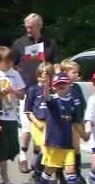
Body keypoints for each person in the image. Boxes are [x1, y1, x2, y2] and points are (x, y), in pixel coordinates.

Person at [11, 13, 62, 174]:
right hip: (27, 90)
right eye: (26, 27)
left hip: (45, 90)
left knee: (43, 126)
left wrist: (57, 82)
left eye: (31, 27)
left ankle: (37, 159)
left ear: (40, 26)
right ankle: (23, 156)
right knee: (27, 126)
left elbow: (57, 64)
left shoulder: (50, 43)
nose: (28, 30)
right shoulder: (19, 44)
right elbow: (12, 66)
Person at [33, 73, 89, 184]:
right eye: (57, 85)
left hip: (67, 142)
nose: (61, 87)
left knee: (71, 169)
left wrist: (83, 135)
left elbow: (75, 121)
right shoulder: (54, 100)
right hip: (54, 142)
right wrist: (46, 84)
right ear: (54, 87)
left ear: (69, 85)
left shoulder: (72, 102)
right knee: (50, 169)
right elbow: (46, 96)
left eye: (63, 84)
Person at [0, 46, 26, 184]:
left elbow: (22, 95)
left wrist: (12, 90)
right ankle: (5, 181)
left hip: (11, 115)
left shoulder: (14, 74)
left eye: (11, 60)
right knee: (0, 152)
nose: (9, 63)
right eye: (6, 61)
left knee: (12, 149)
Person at [25, 63, 54, 184]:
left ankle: (43, 172)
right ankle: (36, 174)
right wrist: (36, 122)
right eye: (41, 75)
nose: (43, 78)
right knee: (43, 149)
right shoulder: (32, 90)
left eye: (47, 75)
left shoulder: (54, 90)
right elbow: (28, 110)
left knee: (50, 151)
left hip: (51, 125)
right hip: (38, 124)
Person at [60, 58, 87, 184]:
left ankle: (77, 174)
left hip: (77, 121)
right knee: (61, 148)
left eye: (77, 72)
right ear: (65, 72)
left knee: (76, 147)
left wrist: (82, 120)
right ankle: (59, 175)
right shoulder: (60, 87)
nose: (77, 75)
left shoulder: (77, 88)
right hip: (64, 123)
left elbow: (81, 104)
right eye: (74, 72)